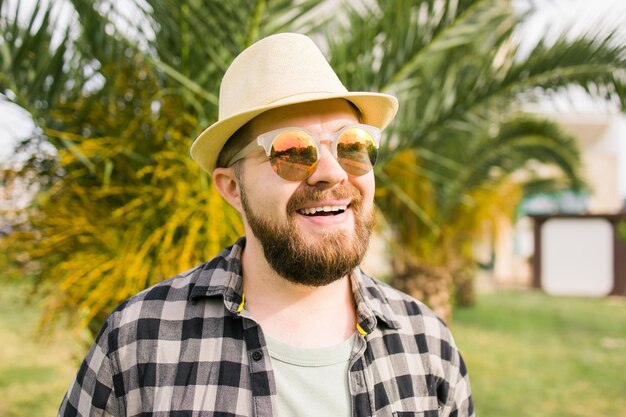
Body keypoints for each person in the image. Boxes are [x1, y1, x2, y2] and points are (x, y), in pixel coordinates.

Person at [59, 33, 474, 417]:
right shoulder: (138, 341)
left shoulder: (428, 345)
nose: (331, 173)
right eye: (291, 150)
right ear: (232, 188)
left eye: (352, 145)